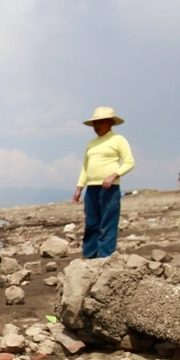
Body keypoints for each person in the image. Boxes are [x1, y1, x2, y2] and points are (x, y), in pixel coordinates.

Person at [72, 106, 135, 258]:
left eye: (100, 122)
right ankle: (89, 256)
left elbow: (129, 162)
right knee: (91, 223)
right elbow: (85, 167)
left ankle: (105, 257)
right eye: (95, 123)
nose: (97, 126)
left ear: (110, 122)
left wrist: (114, 175)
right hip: (91, 189)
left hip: (109, 188)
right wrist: (79, 188)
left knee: (107, 224)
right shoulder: (91, 143)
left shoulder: (118, 140)